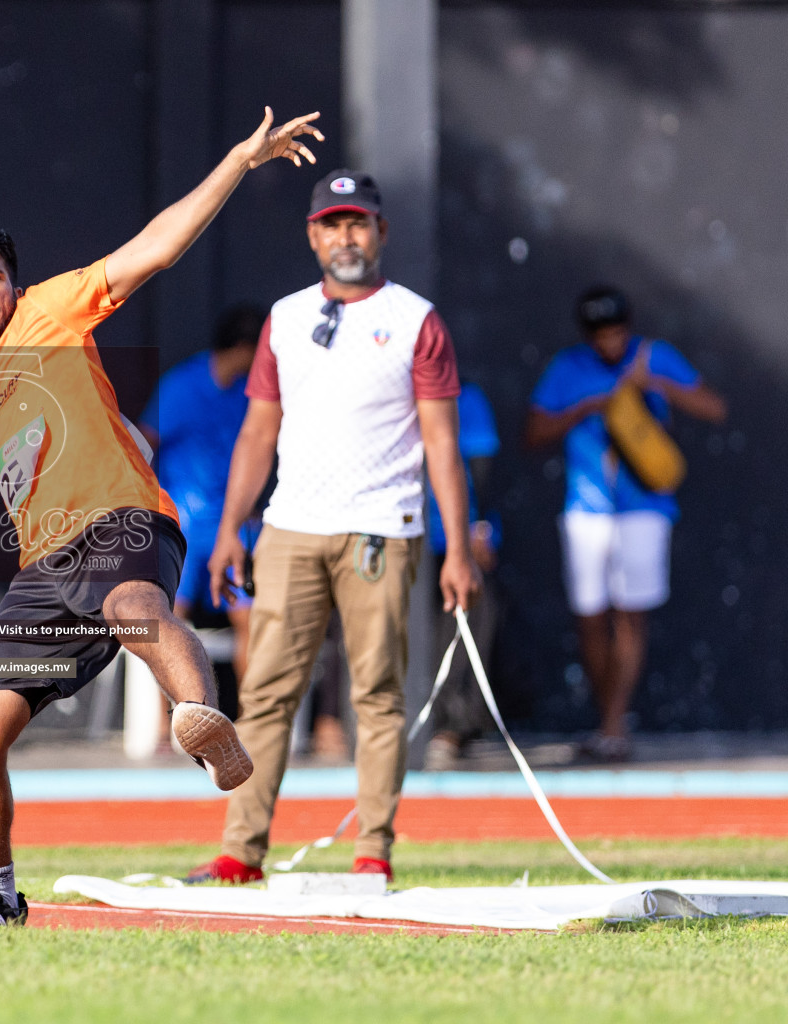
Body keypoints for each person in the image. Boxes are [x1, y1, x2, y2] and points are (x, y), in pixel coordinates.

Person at [0, 107, 324, 926]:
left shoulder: (51, 311)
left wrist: (235, 159)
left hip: (123, 520)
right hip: (43, 571)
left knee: (133, 606)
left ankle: (199, 718)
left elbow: (156, 248)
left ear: (12, 285)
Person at [185, 169, 480, 886]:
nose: (345, 235)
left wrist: (458, 545)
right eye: (332, 223)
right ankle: (240, 851)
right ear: (312, 235)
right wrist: (231, 528)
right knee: (265, 693)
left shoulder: (415, 318)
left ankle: (372, 850)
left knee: (376, 694)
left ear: (381, 232)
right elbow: (259, 430)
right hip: (290, 526)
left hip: (381, 525)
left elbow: (443, 441)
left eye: (358, 222)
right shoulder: (284, 318)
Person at [525, 286, 726, 762]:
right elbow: (532, 432)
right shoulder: (568, 368)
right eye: (602, 336)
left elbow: (714, 407)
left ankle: (614, 724)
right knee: (591, 616)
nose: (612, 344)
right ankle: (607, 719)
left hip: (645, 508)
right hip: (587, 508)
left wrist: (656, 387)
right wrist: (590, 407)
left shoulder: (656, 359)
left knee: (631, 614)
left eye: (618, 334)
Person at [138, 306, 266, 678]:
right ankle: (166, 727)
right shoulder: (181, 387)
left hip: (233, 525)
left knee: (252, 619)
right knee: (170, 618)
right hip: (183, 525)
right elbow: (142, 446)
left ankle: (251, 725)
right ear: (244, 347)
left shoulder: (251, 393)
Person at [423, 380, 502, 769]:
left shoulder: (466, 399)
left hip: (454, 538)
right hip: (398, 536)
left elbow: (483, 468)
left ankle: (453, 726)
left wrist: (478, 529)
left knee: (462, 624)